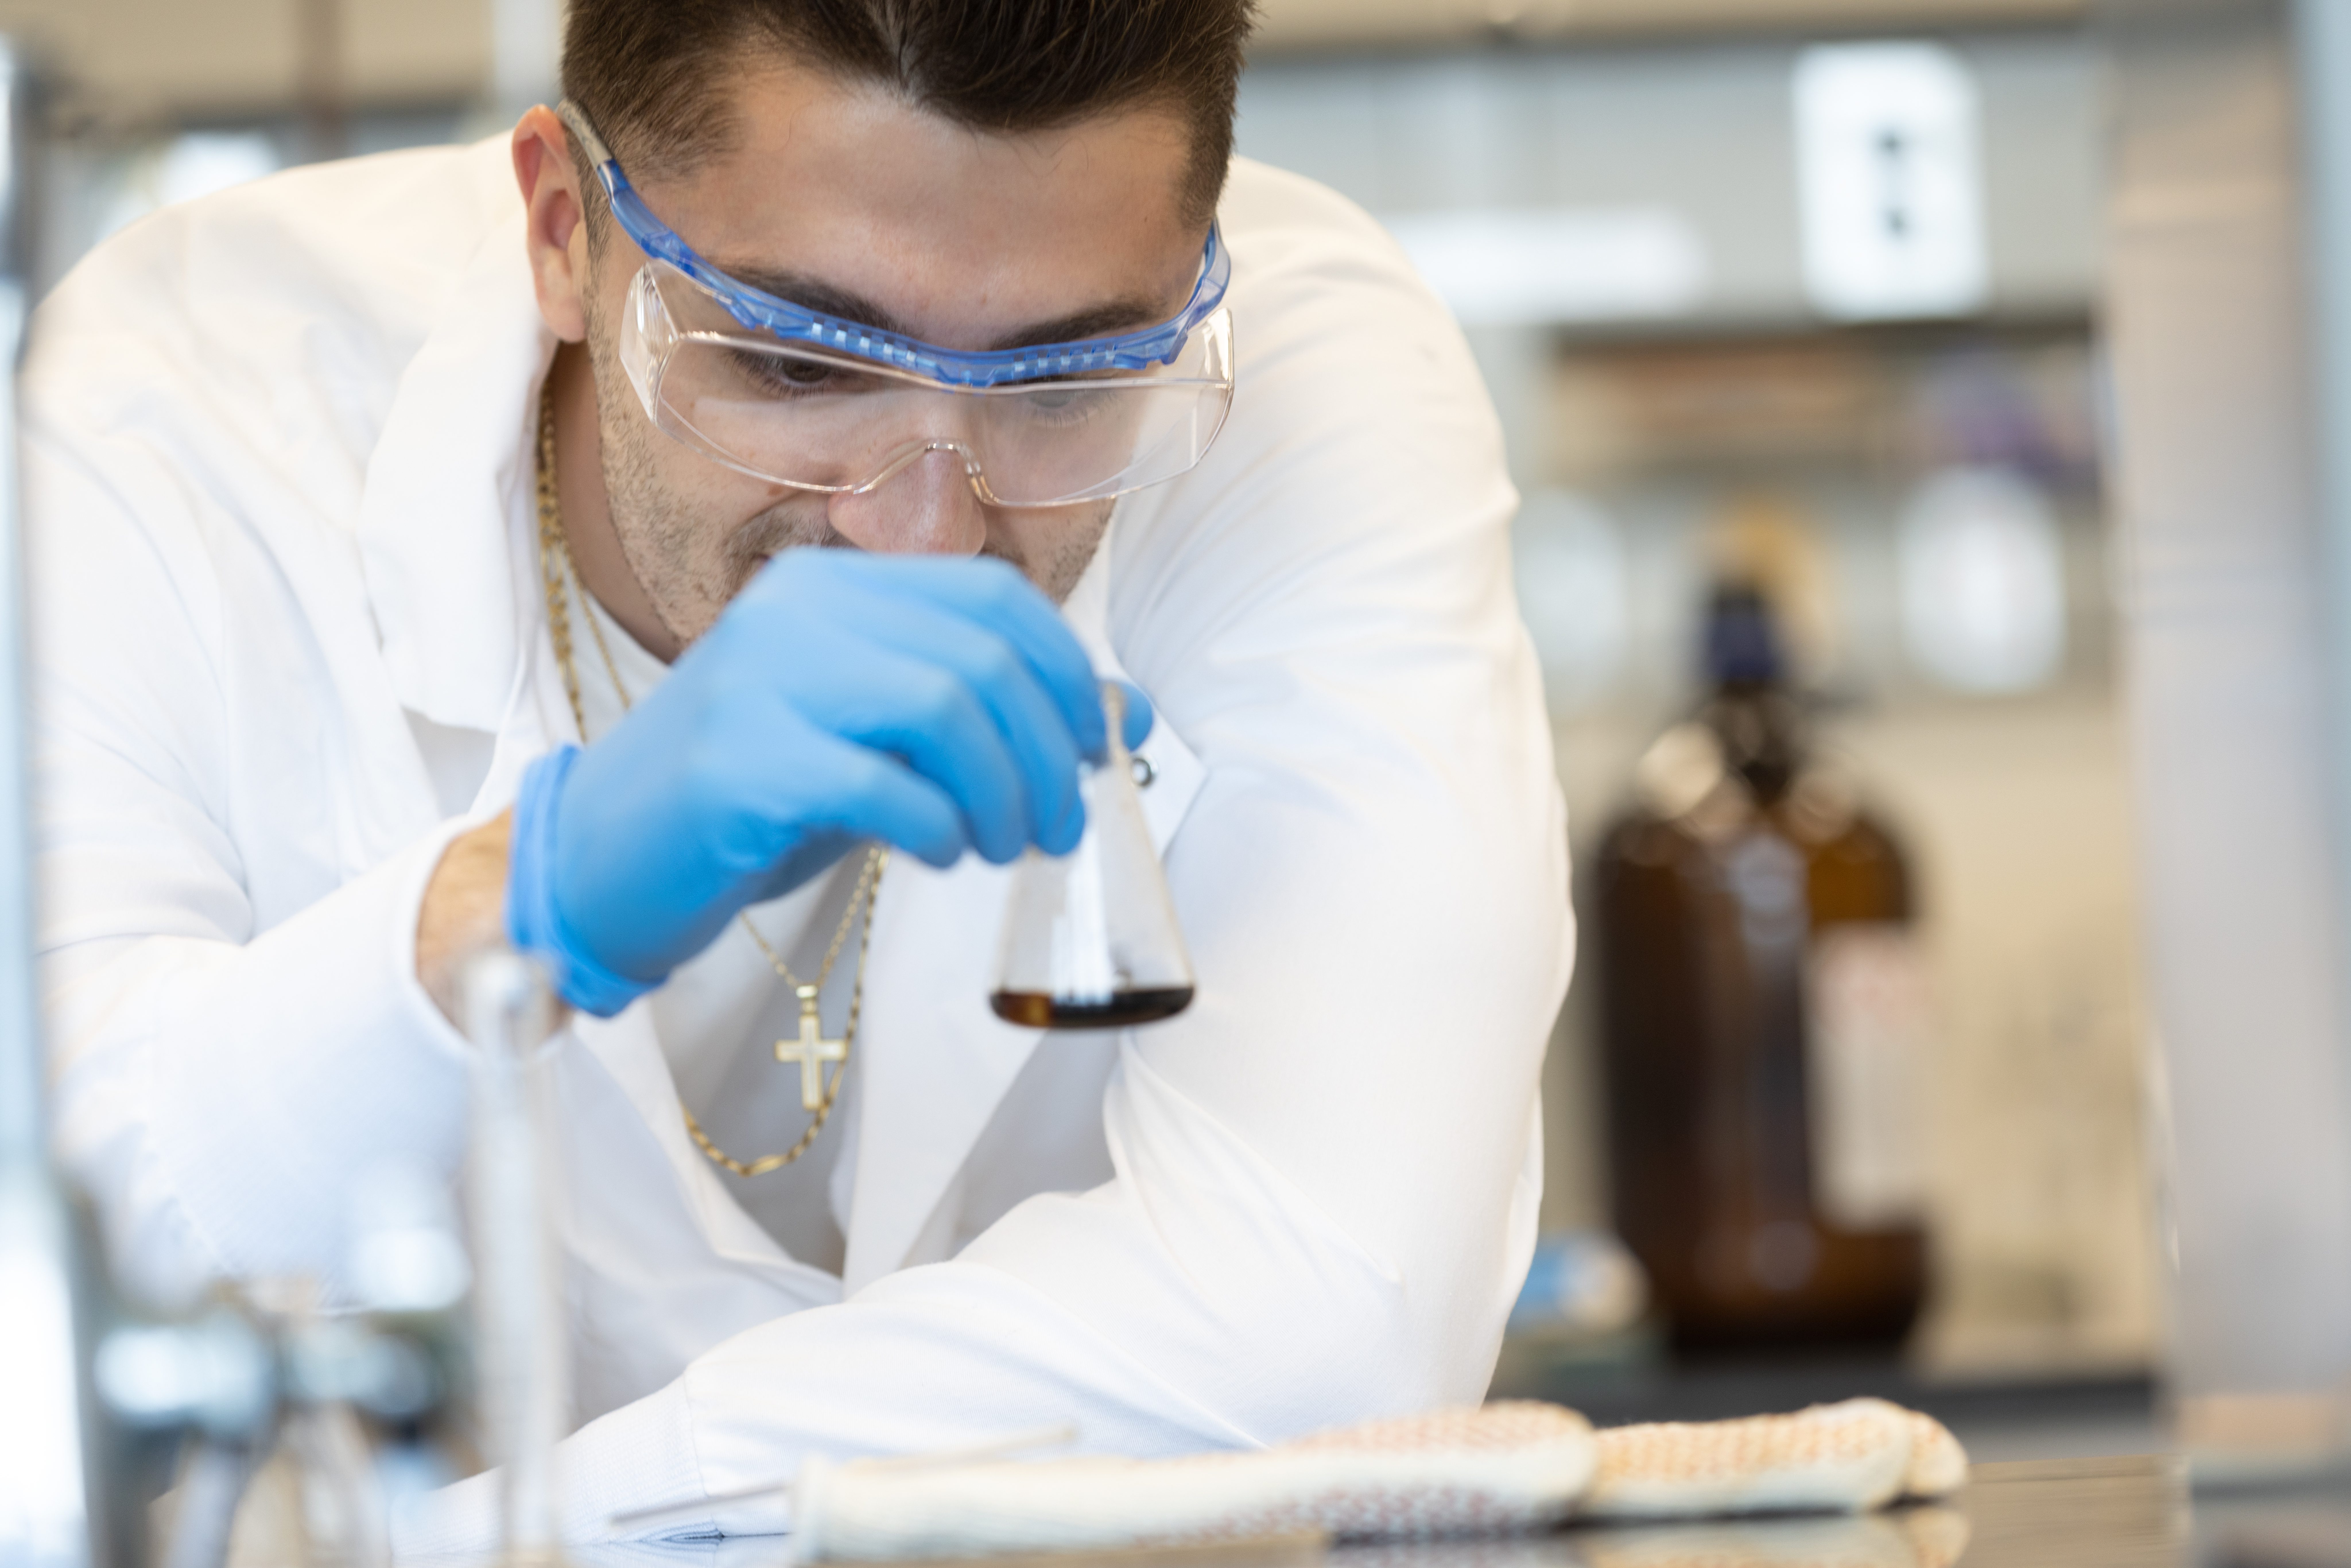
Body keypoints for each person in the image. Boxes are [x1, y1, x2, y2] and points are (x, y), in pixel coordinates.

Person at [31, 0, 1570, 1547]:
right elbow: (38, 1340)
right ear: (565, 232)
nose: (923, 531)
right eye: (791, 364)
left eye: (1061, 388)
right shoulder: (186, 411)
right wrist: (503, 910)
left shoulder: (1292, 369)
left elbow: (1333, 1329)